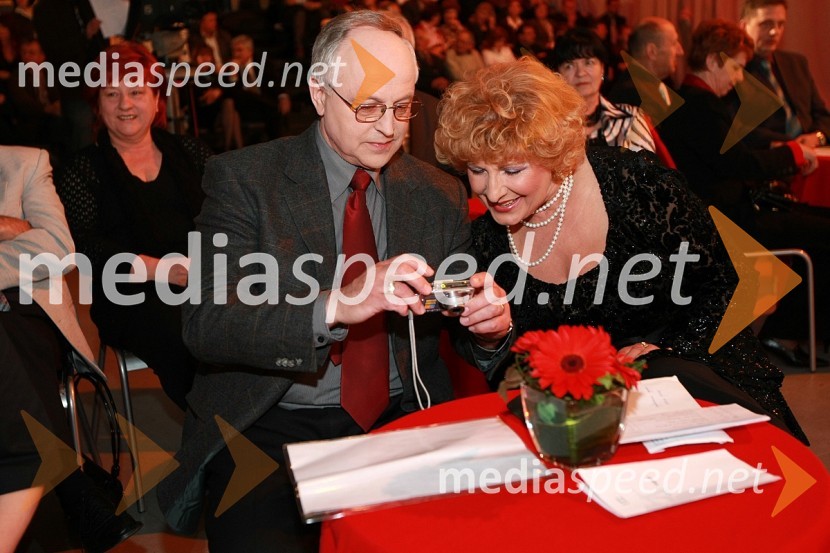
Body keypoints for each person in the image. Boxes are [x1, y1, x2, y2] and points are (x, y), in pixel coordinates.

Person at [155, 10, 513, 552]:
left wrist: (488, 328)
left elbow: (459, 323)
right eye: (368, 106)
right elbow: (208, 321)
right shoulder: (246, 179)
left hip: (399, 421)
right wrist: (335, 305)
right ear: (319, 93)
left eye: (402, 106)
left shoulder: (436, 193)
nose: (389, 127)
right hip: (272, 425)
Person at [434, 56, 808, 444]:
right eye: (477, 170)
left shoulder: (637, 186)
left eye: (512, 170)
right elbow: (500, 362)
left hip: (695, 383)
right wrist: (491, 336)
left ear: (552, 153)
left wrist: (668, 349)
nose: (493, 191)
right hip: (578, 424)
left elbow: (722, 282)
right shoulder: (487, 242)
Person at [657, 19, 830, 368]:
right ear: (713, 61)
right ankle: (792, 333)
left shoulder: (691, 101)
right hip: (725, 219)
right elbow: (739, 162)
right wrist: (793, 154)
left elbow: (733, 154)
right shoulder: (701, 106)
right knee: (824, 231)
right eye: (735, 68)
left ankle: (793, 329)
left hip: (722, 211)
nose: (738, 78)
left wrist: (784, 151)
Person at [56, 42, 213, 410]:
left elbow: (230, 216)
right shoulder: (81, 170)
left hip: (206, 278)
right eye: (112, 94)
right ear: (97, 105)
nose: (124, 104)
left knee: (253, 317)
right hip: (129, 296)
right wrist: (165, 271)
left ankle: (256, 416)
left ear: (157, 100)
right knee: (186, 331)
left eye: (137, 92)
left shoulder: (192, 152)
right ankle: (216, 423)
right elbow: (86, 248)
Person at [1, 145, 141, 551]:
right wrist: (16, 230)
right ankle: (72, 484)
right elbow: (38, 246)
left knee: (12, 332)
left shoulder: (25, 162)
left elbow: (59, 249)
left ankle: (63, 481)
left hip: (29, 312)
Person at [553, 28, 675, 167]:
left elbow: (648, 174)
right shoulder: (547, 126)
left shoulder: (630, 118)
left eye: (588, 63)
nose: (580, 73)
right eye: (569, 66)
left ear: (602, 69)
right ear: (558, 75)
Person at [737, 0, 830, 149]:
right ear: (743, 26)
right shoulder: (735, 70)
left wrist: (818, 137)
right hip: (771, 154)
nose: (774, 32)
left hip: (814, 151)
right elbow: (740, 129)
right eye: (766, 24)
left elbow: (823, 116)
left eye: (780, 24)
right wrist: (792, 145)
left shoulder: (796, 63)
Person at [605, 17, 684, 109]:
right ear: (652, 51)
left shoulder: (657, 86)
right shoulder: (630, 96)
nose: (680, 51)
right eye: (674, 43)